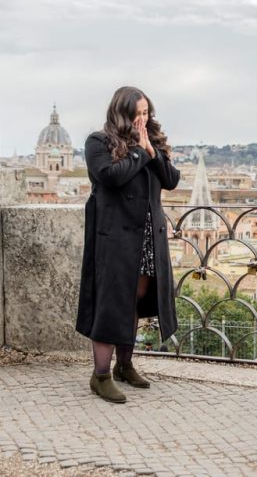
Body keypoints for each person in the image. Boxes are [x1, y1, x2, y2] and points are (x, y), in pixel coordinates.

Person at [76, 86, 180, 403]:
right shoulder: (99, 142)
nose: (142, 119)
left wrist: (151, 151)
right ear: (122, 113)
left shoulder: (152, 144)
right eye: (137, 113)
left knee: (136, 298)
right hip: (115, 238)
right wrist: (137, 150)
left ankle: (124, 365)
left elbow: (171, 180)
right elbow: (111, 176)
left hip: (147, 236)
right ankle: (101, 375)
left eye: (146, 113)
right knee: (111, 302)